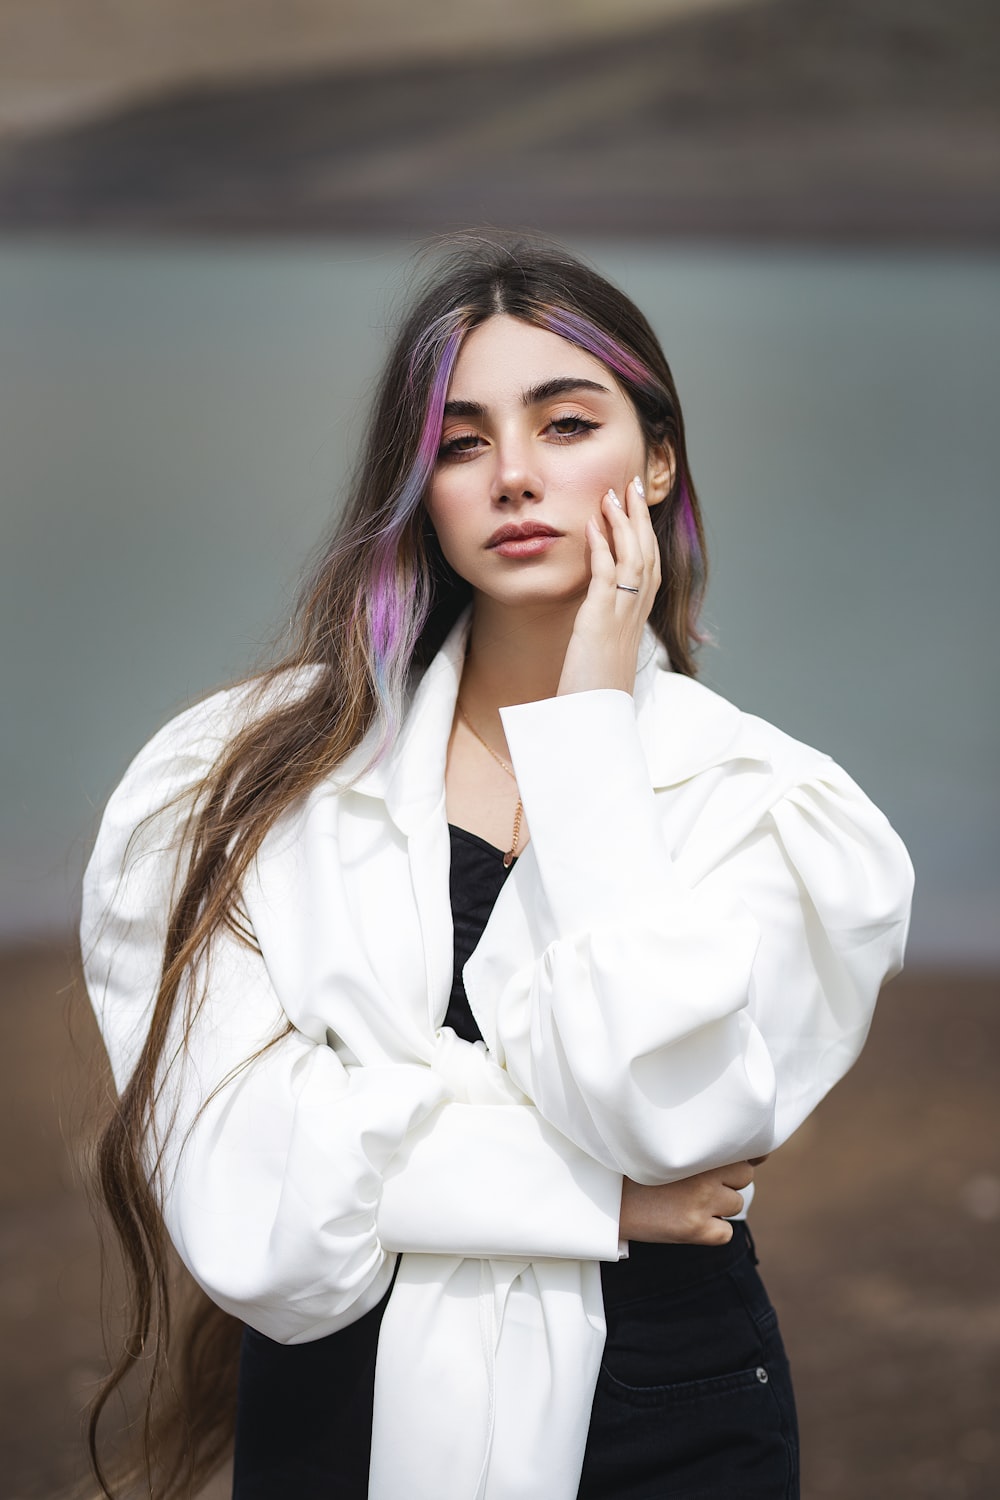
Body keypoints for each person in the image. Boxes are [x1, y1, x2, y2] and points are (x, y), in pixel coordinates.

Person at [81, 234, 913, 1500]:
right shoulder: (238, 776)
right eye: (461, 443)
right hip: (333, 1404)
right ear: (417, 488)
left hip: (670, 1404)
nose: (513, 475)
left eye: (566, 423)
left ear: (660, 457)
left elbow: (669, 1124)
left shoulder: (773, 809)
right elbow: (239, 1183)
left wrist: (587, 728)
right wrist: (594, 1203)